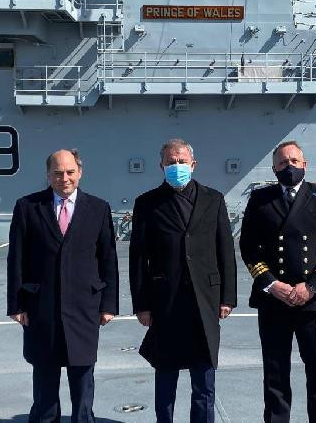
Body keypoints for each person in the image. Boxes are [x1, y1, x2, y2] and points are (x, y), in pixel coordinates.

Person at [7, 148, 119, 423]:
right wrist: (16, 305)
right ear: (48, 175)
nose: (64, 178)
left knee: (82, 377)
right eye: (58, 173)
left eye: (70, 172)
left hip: (84, 307)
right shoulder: (27, 207)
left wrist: (109, 305)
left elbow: (108, 259)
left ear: (80, 172)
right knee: (44, 376)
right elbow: (16, 258)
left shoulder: (98, 208)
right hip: (41, 306)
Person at [129, 138, 237, 423]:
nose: (176, 166)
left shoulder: (214, 199)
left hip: (205, 300)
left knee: (204, 380)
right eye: (171, 162)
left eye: (182, 161)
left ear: (193, 164)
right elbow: (138, 258)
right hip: (165, 301)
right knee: (166, 377)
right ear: (161, 166)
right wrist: (142, 305)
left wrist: (227, 297)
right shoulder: (147, 203)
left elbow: (225, 250)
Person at [239, 141, 316, 423]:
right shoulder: (260, 199)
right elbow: (249, 248)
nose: (289, 167)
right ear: (274, 168)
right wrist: (272, 284)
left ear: (304, 164)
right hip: (273, 300)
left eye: (294, 161)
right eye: (283, 163)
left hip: (313, 301)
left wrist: (311, 287)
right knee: (275, 375)